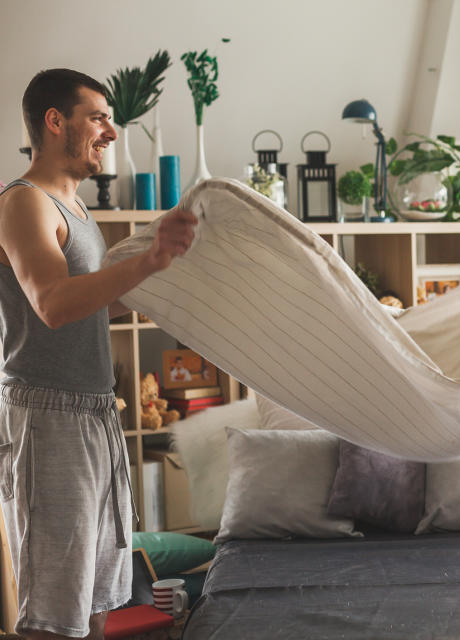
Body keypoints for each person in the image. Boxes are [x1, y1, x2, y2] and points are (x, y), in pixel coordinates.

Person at [0, 69, 197, 640]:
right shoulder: (23, 204)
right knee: (54, 612)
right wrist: (147, 262)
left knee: (94, 601)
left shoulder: (80, 212)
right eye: (98, 117)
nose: (111, 131)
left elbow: (87, 307)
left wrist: (170, 291)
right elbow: (54, 304)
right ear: (55, 122)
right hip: (48, 420)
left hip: (93, 414)